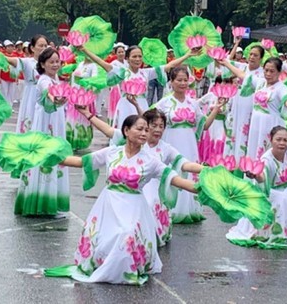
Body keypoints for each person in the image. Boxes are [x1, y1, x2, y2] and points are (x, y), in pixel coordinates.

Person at [44, 114, 203, 285]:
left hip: (133, 207)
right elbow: (81, 162)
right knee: (103, 241)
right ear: (126, 131)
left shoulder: (151, 161)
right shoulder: (112, 152)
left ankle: (122, 271)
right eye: (140, 129)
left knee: (126, 235)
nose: (145, 133)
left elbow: (177, 180)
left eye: (146, 130)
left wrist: (204, 187)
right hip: (108, 205)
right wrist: (48, 156)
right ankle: (102, 265)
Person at [227, 125, 287, 249]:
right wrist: (255, 175)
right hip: (273, 196)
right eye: (278, 139)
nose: (282, 143)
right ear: (271, 140)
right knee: (276, 227)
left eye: (285, 140)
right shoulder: (266, 160)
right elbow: (263, 178)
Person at [155, 66, 226, 224]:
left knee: (189, 170)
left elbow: (204, 125)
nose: (182, 83)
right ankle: (167, 208)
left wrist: (215, 109)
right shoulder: (164, 103)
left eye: (185, 80)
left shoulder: (192, 103)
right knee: (172, 171)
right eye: (178, 80)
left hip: (189, 142)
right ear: (171, 82)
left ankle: (188, 208)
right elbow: (150, 121)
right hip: (170, 141)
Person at [77, 44, 196, 129]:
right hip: (125, 105)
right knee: (125, 132)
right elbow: (101, 62)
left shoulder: (146, 72)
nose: (138, 59)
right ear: (127, 59)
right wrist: (84, 49)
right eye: (134, 56)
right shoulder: (122, 72)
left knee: (142, 131)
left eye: (140, 56)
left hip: (141, 104)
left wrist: (188, 55)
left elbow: (169, 65)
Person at [14, 47, 69, 216]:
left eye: (57, 61)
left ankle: (49, 201)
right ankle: (41, 203)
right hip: (45, 125)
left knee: (54, 158)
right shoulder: (43, 80)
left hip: (56, 123)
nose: (55, 64)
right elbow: (48, 92)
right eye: (51, 62)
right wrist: (55, 98)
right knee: (45, 157)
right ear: (43, 64)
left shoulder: (57, 79)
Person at [218, 56, 287, 158]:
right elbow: (242, 74)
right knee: (253, 149)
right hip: (256, 124)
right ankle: (251, 173)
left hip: (270, 125)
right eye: (266, 70)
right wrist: (226, 63)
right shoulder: (260, 83)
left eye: (272, 71)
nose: (268, 74)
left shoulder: (281, 87)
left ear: (279, 73)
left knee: (266, 152)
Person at [222, 39, 265, 159]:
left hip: (250, 108)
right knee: (234, 132)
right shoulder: (243, 67)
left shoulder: (262, 74)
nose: (252, 57)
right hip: (237, 105)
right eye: (250, 54)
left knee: (246, 134)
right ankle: (231, 163)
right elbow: (227, 62)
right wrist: (236, 43)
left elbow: (243, 75)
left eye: (255, 55)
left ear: (261, 58)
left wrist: (228, 64)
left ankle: (243, 164)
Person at [6, 35, 48, 133]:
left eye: (45, 46)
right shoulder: (27, 62)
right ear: (32, 48)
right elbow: (11, 60)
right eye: (40, 45)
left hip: (46, 97)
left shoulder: (51, 63)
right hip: (31, 97)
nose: (43, 48)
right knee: (30, 120)